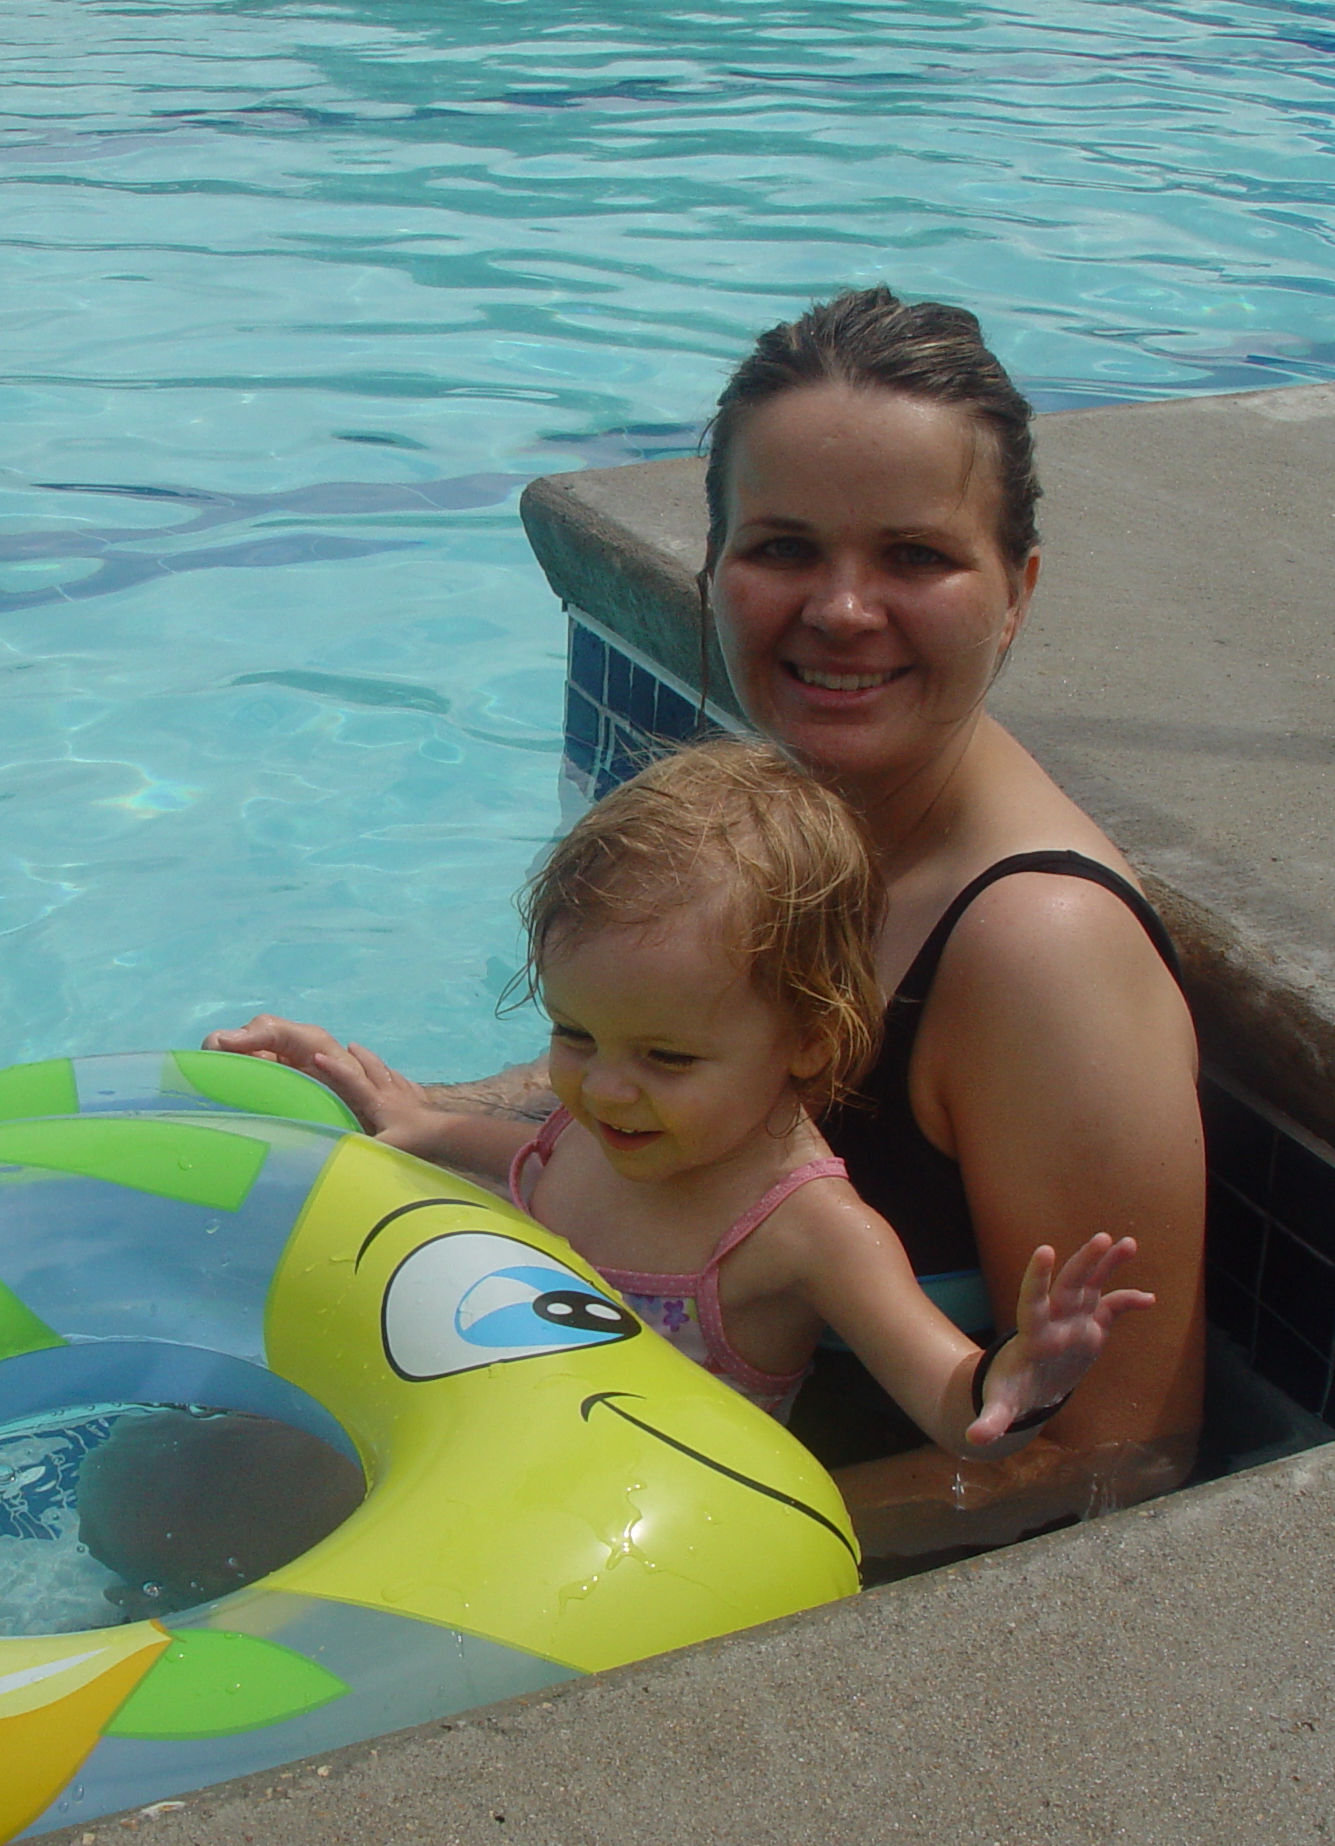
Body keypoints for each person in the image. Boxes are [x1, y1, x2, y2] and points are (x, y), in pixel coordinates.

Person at [210, 287, 1204, 1554]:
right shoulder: (773, 830)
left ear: (1015, 592)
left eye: (913, 556)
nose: (841, 611)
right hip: (583, 1425)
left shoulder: (1034, 953)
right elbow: (646, 1068)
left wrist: (606, 1540)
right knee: (161, 1472)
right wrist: (398, 1105)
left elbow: (1115, 1451)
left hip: (711, 1535)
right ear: (713, 568)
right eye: (783, 548)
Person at [290, 737, 1153, 1457]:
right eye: (574, 1034)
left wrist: (1017, 1384)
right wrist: (425, 1124)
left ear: (808, 1042)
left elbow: (946, 1400)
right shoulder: (616, 1122)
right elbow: (531, 1154)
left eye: (667, 1056)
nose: (604, 1086)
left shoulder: (808, 1229)